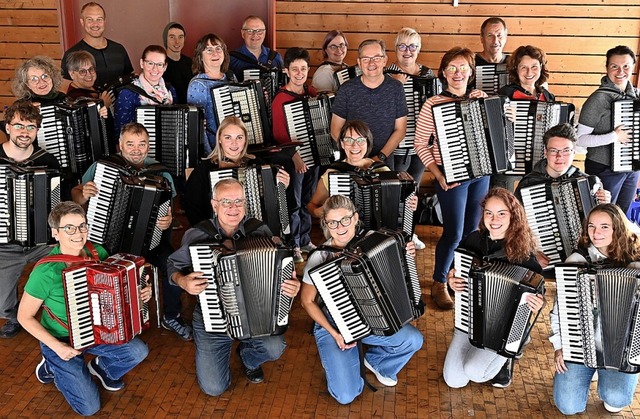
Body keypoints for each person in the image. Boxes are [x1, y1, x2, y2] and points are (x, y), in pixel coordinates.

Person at [167, 178, 300, 396]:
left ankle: (247, 356)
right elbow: (172, 264)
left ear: (245, 203)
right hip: (212, 316)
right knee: (214, 388)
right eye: (226, 201)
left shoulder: (258, 230)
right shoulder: (198, 235)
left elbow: (279, 273)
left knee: (274, 348)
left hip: (255, 314)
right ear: (214, 205)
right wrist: (183, 281)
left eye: (238, 201)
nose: (233, 208)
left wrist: (291, 287)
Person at [16, 201, 150, 416]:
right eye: (69, 228)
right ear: (56, 233)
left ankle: (102, 369)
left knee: (138, 351)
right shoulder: (45, 272)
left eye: (82, 226)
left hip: (98, 333)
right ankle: (51, 365)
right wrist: (57, 348)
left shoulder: (97, 252)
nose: (78, 233)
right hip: (61, 340)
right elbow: (24, 317)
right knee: (89, 408)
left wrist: (141, 292)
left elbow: (117, 288)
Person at [70, 122, 191, 341]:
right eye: (130, 144)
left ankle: (171, 316)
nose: (136, 149)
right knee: (87, 261)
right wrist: (84, 194)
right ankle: (99, 318)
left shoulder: (161, 173)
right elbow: (76, 194)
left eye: (142, 144)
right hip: (107, 240)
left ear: (148, 146)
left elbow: (170, 210)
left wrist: (167, 220)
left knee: (173, 263)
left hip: (150, 243)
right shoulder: (102, 167)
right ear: (120, 145)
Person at [300, 194, 423, 404]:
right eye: (333, 222)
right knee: (347, 395)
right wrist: (335, 333)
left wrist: (406, 252)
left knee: (413, 340)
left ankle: (376, 361)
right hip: (335, 323)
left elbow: (396, 269)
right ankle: (338, 358)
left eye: (345, 220)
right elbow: (307, 301)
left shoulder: (374, 239)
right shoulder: (319, 257)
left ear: (355, 218)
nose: (340, 227)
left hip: (372, 318)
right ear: (326, 225)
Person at [444, 188, 544, 389]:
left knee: (475, 372)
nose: (494, 219)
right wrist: (451, 281)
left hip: (504, 329)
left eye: (501, 213)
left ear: (513, 216)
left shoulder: (524, 254)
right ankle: (478, 351)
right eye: (489, 213)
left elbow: (538, 291)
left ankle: (507, 356)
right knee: (454, 381)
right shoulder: (473, 241)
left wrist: (537, 302)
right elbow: (455, 274)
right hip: (469, 319)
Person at [414, 47, 490, 310]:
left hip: (481, 174)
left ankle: (457, 277)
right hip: (451, 177)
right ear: (444, 72)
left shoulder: (481, 99)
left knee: (472, 231)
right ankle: (438, 282)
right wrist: (437, 174)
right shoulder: (433, 104)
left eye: (463, 68)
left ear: (471, 72)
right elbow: (420, 144)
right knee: (454, 232)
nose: (458, 73)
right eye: (452, 68)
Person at [551, 203, 640, 414]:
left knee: (615, 400)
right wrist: (559, 346)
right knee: (568, 407)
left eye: (604, 227)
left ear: (617, 228)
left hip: (622, 350)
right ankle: (590, 371)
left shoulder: (636, 263)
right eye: (591, 226)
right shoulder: (577, 261)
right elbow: (559, 311)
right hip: (581, 344)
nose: (596, 233)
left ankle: (608, 376)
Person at [0, 101, 61, 339]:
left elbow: (57, 204)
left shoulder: (47, 160)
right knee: (1, 303)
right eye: (18, 126)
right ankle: (16, 317)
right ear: (8, 127)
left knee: (65, 275)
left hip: (41, 243)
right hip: (5, 245)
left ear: (37, 130)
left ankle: (54, 317)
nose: (24, 132)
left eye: (31, 127)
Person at [514, 124, 611, 267]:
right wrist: (532, 253)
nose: (560, 157)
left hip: (583, 262)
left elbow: (603, 230)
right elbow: (514, 227)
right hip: (542, 259)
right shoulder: (528, 184)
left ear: (573, 152)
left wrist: (605, 206)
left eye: (566, 151)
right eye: (554, 151)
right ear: (546, 152)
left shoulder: (588, 183)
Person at [183, 116, 289, 227]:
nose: (234, 143)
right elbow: (192, 208)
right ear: (219, 139)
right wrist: (210, 233)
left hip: (254, 230)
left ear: (245, 140)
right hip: (217, 233)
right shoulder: (205, 169)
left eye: (239, 137)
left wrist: (281, 187)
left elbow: (271, 202)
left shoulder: (258, 164)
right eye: (228, 137)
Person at [385, 27, 436, 250]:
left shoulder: (428, 74)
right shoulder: (386, 74)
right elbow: (378, 109)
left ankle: (409, 232)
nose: (407, 51)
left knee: (412, 191)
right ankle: (389, 235)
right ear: (395, 49)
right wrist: (394, 86)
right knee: (392, 190)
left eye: (412, 46)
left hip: (419, 143)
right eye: (402, 46)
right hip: (393, 142)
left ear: (419, 49)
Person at [577, 45, 640, 214]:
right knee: (603, 217)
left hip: (632, 169)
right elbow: (580, 139)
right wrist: (614, 136)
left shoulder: (637, 96)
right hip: (603, 169)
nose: (620, 71)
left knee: (622, 219)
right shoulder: (598, 99)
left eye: (626, 66)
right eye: (614, 66)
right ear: (607, 68)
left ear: (633, 66)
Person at [271, 47, 320, 262]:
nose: (300, 73)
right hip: (293, 160)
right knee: (294, 202)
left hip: (313, 156)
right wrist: (296, 157)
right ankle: (295, 244)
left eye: (303, 68)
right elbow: (280, 135)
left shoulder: (311, 94)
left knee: (308, 199)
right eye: (295, 69)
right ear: (287, 71)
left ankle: (305, 237)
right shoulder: (280, 99)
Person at [331, 39, 407, 171]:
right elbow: (335, 129)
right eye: (366, 59)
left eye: (376, 58)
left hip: (383, 162)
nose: (371, 63)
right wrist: (355, 154)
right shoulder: (346, 89)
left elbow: (400, 130)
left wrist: (380, 157)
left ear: (384, 60)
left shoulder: (396, 88)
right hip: (352, 161)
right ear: (359, 63)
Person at [61, 2, 134, 89]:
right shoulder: (72, 54)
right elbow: (65, 89)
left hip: (122, 102)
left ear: (104, 21)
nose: (95, 24)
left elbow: (131, 80)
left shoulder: (119, 49)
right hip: (91, 102)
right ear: (82, 22)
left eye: (99, 19)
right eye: (90, 20)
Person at [187, 34, 237, 155]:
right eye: (209, 50)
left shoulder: (231, 77)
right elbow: (199, 128)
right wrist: (211, 155)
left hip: (235, 144)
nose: (215, 53)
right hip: (214, 147)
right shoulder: (198, 84)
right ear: (200, 56)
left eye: (218, 49)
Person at [113, 45, 176, 138]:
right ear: (142, 63)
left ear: (165, 67)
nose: (155, 69)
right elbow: (121, 132)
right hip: (138, 148)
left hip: (169, 144)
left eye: (159, 64)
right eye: (150, 63)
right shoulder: (128, 94)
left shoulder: (170, 90)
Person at [229, 15, 283, 80]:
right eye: (250, 31)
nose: (255, 35)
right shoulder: (232, 59)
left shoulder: (275, 57)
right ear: (243, 34)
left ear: (264, 33)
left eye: (259, 31)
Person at [162, 22, 193, 104]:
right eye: (172, 37)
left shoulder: (190, 62)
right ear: (165, 39)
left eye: (180, 37)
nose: (177, 42)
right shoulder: (159, 64)